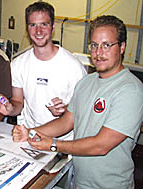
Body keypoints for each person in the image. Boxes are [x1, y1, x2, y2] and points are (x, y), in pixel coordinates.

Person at [13, 15, 143, 189]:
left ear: (122, 47)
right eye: (94, 45)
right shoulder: (86, 83)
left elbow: (101, 145)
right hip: (79, 180)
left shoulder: (130, 89)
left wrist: (53, 145)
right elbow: (66, 121)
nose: (99, 52)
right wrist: (29, 132)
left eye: (107, 45)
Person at [0, 2, 86, 128]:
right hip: (29, 134)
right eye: (33, 25)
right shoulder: (18, 64)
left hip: (62, 140)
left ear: (53, 27)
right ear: (27, 28)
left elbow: (83, 110)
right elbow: (18, 101)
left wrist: (65, 110)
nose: (38, 31)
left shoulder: (74, 67)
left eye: (44, 24)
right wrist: (10, 110)